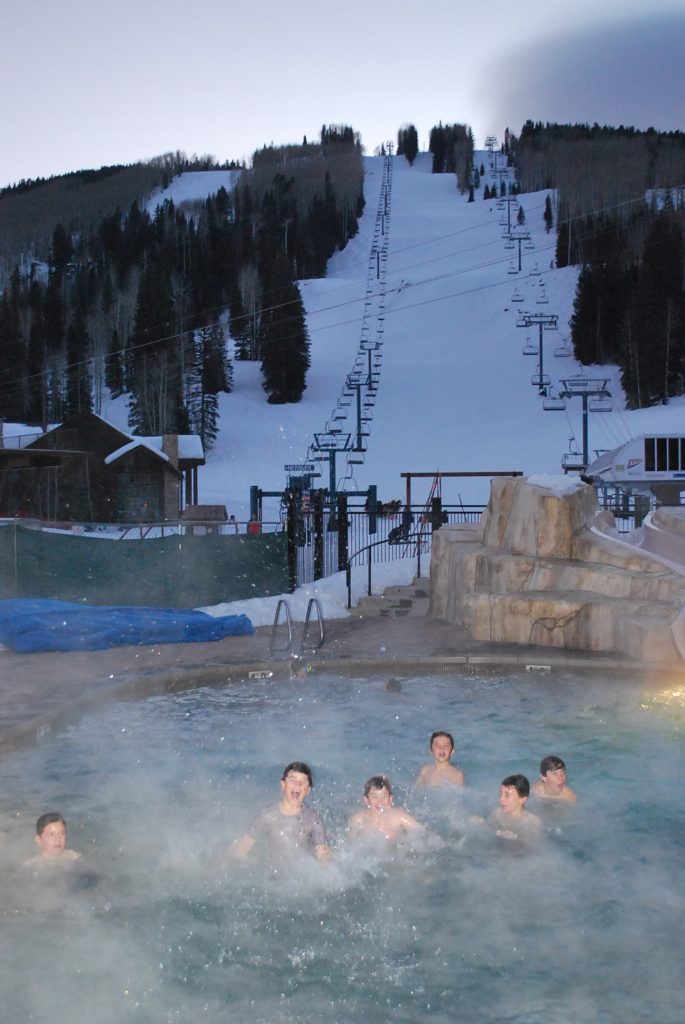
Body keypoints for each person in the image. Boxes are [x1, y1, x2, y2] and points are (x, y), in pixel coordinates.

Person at [231, 762, 331, 863]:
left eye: (302, 782)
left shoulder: (313, 819)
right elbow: (242, 849)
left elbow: (324, 861)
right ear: (283, 784)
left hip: (302, 876)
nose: (297, 784)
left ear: (308, 790)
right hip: (273, 876)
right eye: (292, 780)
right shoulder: (266, 815)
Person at [348, 775, 422, 842]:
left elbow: (424, 834)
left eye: (384, 796)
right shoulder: (358, 820)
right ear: (367, 800)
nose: (380, 801)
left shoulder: (398, 818)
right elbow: (348, 845)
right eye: (374, 796)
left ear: (390, 799)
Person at [490, 775, 541, 840]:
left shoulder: (533, 822)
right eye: (501, 794)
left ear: (522, 799)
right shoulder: (497, 814)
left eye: (507, 795)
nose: (501, 799)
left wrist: (516, 838)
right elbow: (489, 831)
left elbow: (534, 845)